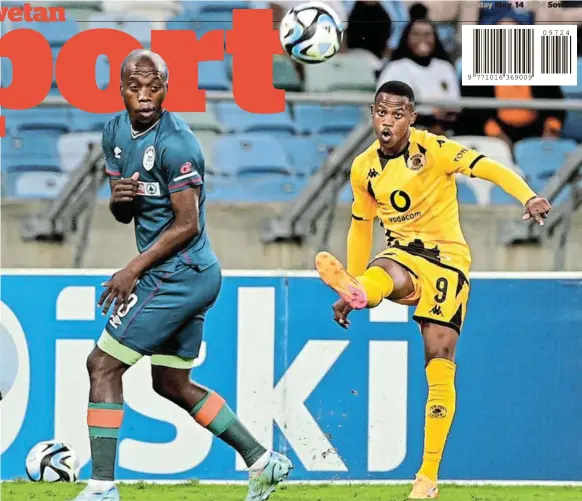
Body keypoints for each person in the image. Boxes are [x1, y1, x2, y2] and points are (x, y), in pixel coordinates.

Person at [70, 49, 293, 501]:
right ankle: (262, 460)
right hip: (178, 274)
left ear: (167, 88)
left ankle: (102, 487)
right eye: (136, 87)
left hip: (180, 273)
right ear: (122, 89)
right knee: (171, 383)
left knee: (102, 364)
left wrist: (132, 268)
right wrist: (120, 200)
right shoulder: (113, 132)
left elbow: (187, 223)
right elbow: (121, 208)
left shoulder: (178, 143)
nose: (146, 95)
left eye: (155, 86)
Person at [315, 81, 551, 499]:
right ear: (372, 114)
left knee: (439, 362)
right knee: (386, 271)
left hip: (447, 262)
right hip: (402, 252)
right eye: (382, 113)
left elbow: (488, 167)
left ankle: (427, 478)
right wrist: (351, 276)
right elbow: (361, 224)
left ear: (412, 118)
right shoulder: (363, 167)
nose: (389, 121)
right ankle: (359, 290)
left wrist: (528, 196)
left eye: (398, 114)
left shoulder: (435, 150)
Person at [376, 7, 460, 135]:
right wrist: (429, 120)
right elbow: (387, 109)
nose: (423, 39)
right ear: (407, 37)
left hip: (445, 134)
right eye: (416, 34)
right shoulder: (395, 69)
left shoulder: (445, 67)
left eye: (427, 34)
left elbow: (455, 106)